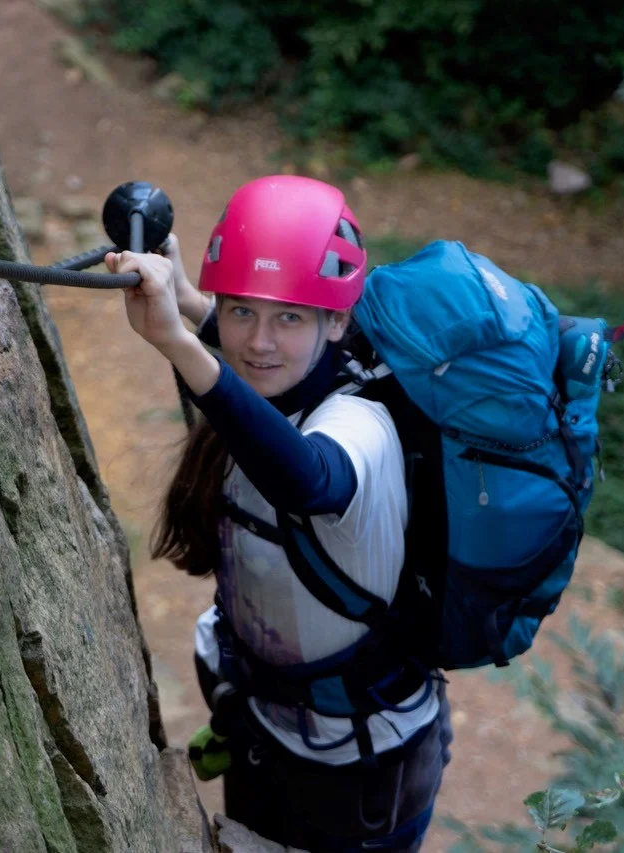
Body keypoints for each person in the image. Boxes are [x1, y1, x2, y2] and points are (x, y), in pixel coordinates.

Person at [105, 175, 453, 852]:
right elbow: (250, 361)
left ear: (338, 321)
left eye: (290, 317)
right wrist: (184, 301)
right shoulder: (273, 375)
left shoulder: (361, 427)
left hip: (360, 780)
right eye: (241, 311)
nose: (258, 341)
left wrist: (179, 343)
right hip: (267, 734)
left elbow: (308, 478)